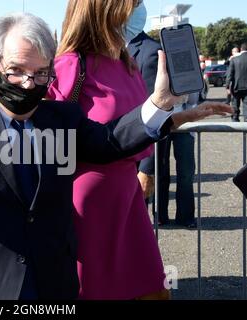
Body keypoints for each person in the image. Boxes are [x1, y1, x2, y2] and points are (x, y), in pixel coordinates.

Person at [0, 13, 230, 300]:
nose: (28, 83)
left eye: (40, 74)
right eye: (17, 71)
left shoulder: (62, 117)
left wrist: (160, 104)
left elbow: (110, 141)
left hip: (51, 281)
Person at [47, 0, 172, 299]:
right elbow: (53, 137)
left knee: (149, 284)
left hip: (127, 195)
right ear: (103, 10)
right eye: (134, 3)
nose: (139, 10)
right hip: (87, 200)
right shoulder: (71, 64)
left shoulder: (126, 62)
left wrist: (180, 114)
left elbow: (138, 125)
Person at [128, 29, 162, 201]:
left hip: (133, 159)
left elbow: (153, 113)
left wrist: (146, 169)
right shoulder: (99, 48)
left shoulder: (150, 51)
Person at [157, 93, 199, 228]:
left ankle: (185, 216)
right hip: (158, 120)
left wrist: (190, 119)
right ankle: (160, 215)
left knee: (186, 172)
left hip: (184, 123)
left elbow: (193, 98)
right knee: (159, 170)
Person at [226, 43, 247, 122]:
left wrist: (227, 86)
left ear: (241, 49)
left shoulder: (234, 59)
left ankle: (235, 120)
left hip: (236, 87)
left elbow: (230, 74)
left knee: (235, 105)